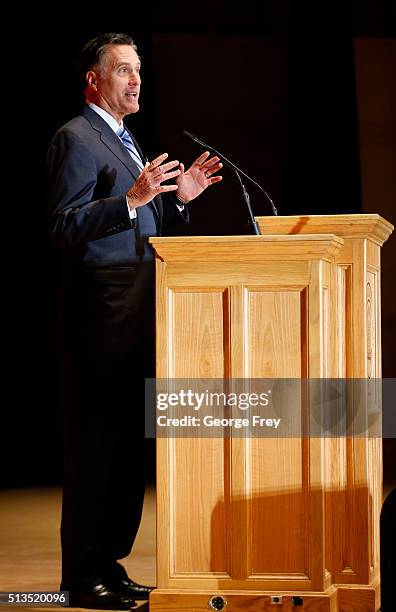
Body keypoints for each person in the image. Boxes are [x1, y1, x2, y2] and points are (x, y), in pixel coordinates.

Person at [46, 32, 222, 610]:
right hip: (101, 312)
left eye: (139, 70)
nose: (136, 80)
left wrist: (181, 200)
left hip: (140, 307)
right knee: (96, 447)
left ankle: (110, 564)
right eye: (123, 70)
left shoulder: (124, 140)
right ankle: (80, 576)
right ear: (94, 80)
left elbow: (144, 222)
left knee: (126, 450)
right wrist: (130, 199)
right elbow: (64, 227)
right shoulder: (77, 137)